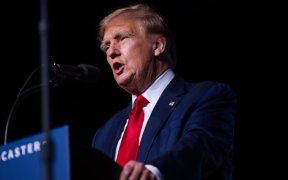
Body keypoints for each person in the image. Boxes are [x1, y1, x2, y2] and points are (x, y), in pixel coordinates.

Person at [91, 3, 237, 180]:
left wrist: (155, 172)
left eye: (122, 38)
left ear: (158, 46)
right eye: (106, 47)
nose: (111, 52)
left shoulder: (206, 96)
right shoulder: (104, 133)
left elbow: (199, 146)